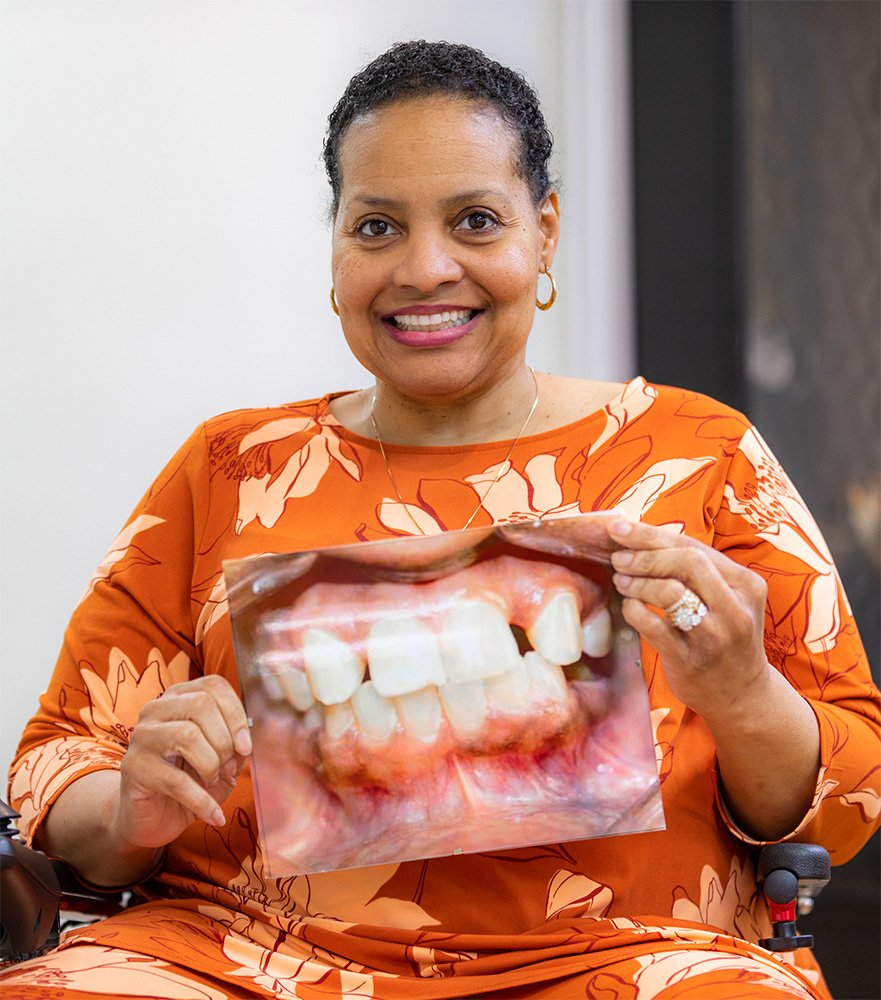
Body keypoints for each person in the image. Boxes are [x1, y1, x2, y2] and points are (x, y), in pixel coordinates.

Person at [2, 39, 879, 1000]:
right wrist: (130, 810)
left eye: (475, 221)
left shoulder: (698, 454)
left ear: (544, 234)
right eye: (377, 227)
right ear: (335, 248)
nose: (424, 269)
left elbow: (847, 805)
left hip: (627, 958)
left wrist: (743, 692)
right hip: (243, 958)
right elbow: (56, 761)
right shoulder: (231, 468)